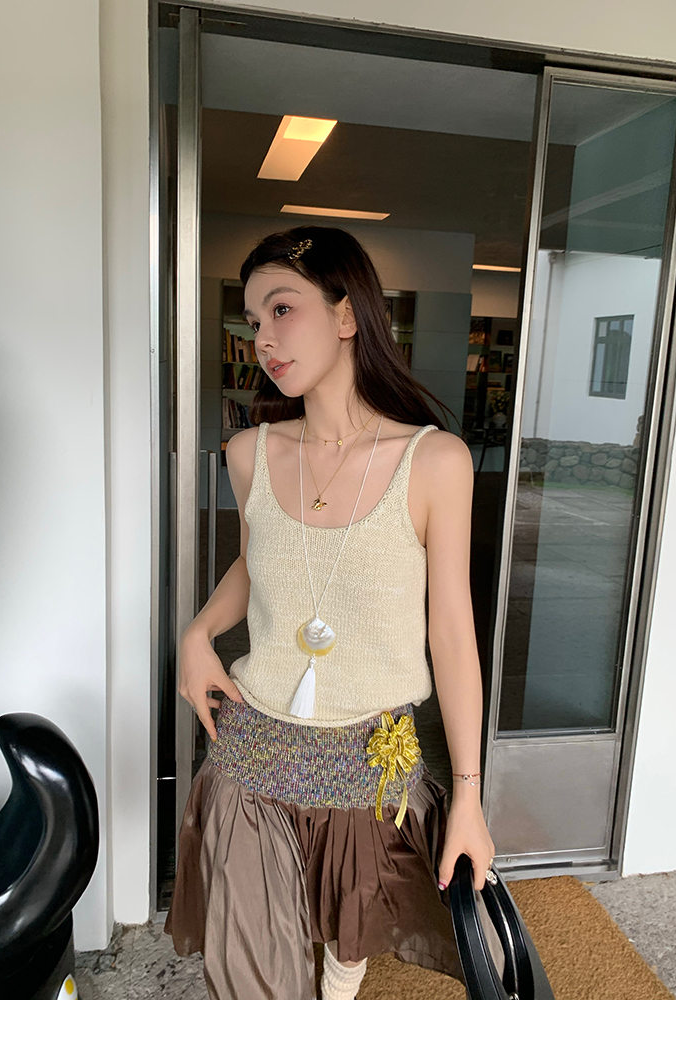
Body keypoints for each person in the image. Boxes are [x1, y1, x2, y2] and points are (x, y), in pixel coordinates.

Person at [164, 225, 495, 1000]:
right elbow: (257, 564)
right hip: (253, 755)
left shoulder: (434, 462)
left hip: (370, 764)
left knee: (349, 937)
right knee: (255, 983)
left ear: (347, 314)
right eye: (253, 320)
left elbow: (452, 632)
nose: (262, 339)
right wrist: (197, 633)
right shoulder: (249, 453)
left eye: (283, 309)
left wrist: (470, 795)